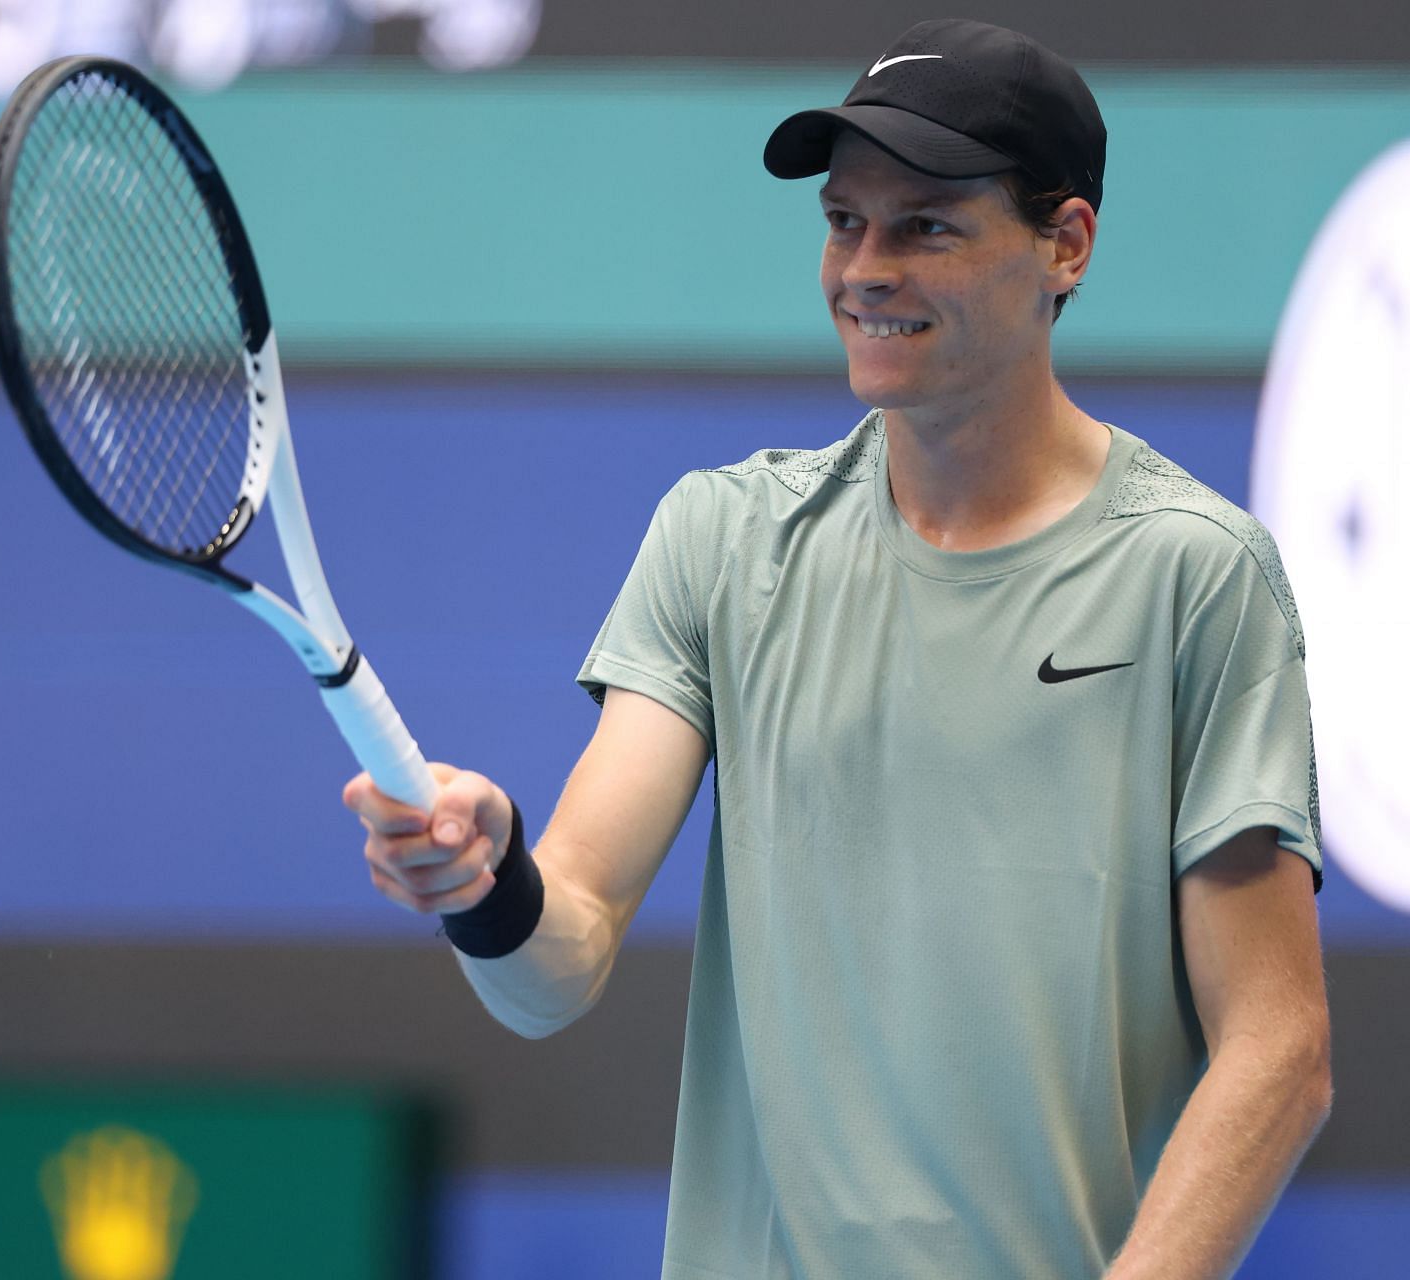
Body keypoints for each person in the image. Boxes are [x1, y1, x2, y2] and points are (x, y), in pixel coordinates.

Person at [345, 19, 1331, 1279]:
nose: (865, 268)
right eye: (844, 221)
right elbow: (561, 955)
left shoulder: (1198, 573)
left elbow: (1278, 1050)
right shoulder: (724, 538)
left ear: (1064, 245)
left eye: (925, 226)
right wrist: (485, 884)